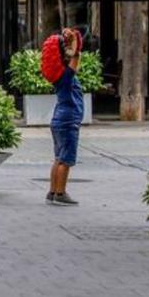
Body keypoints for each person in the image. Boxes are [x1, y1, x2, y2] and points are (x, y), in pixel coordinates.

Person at [48, 27, 84, 207]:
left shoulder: (58, 76)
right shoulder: (66, 76)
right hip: (69, 120)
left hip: (58, 119)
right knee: (66, 159)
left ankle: (53, 191)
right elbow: (77, 57)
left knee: (58, 157)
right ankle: (60, 193)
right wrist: (75, 49)